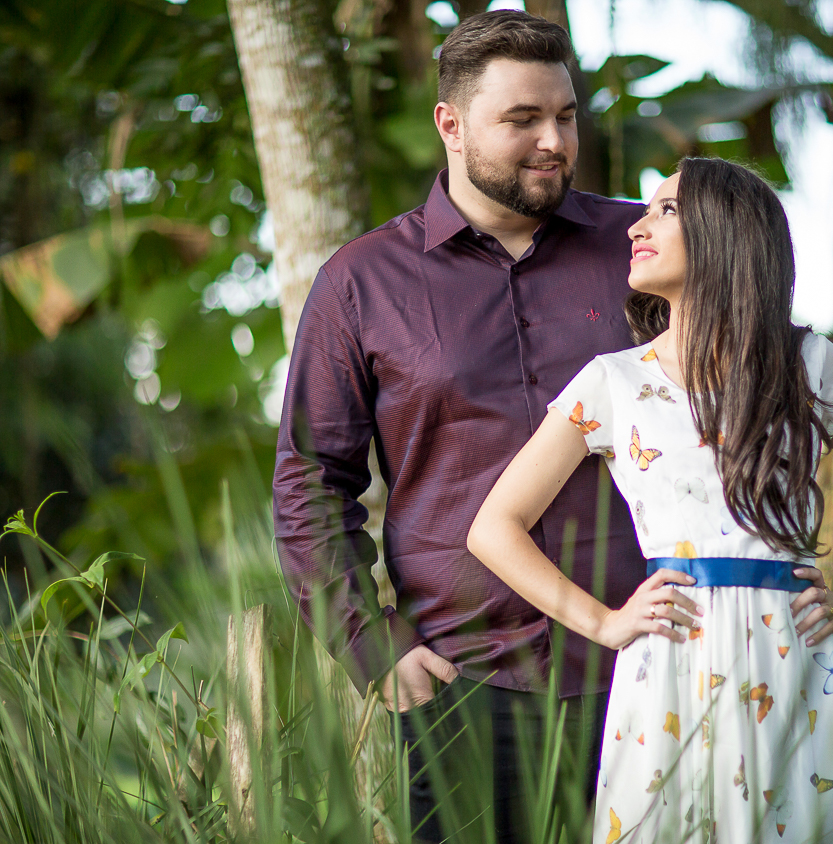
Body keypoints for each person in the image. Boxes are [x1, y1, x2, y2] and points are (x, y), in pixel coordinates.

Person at [271, 10, 675, 842]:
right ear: (450, 125)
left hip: (655, 667)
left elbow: (738, 394)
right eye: (522, 120)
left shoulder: (640, 245)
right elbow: (312, 481)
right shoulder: (361, 283)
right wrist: (366, 642)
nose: (554, 141)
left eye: (565, 116)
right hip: (466, 688)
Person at [468, 157, 833, 843]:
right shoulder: (614, 383)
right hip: (667, 661)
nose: (637, 227)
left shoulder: (806, 365)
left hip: (790, 661)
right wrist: (605, 623)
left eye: (666, 210)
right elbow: (495, 528)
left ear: (725, 234)